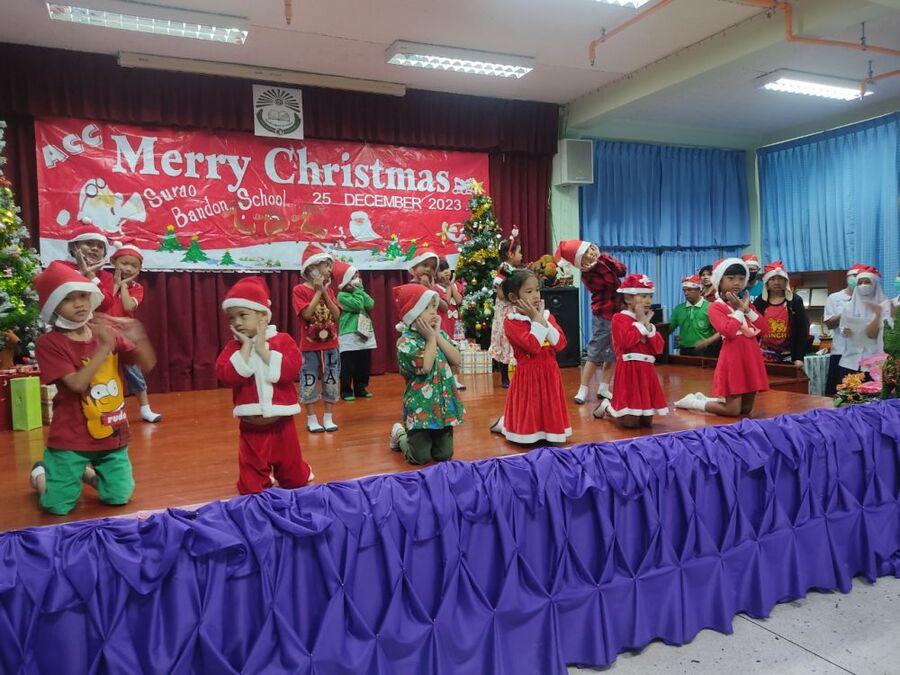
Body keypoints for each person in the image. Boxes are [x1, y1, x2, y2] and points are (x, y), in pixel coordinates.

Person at [29, 262, 156, 515]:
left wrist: (138, 335)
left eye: (83, 296)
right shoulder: (49, 343)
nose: (79, 304)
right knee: (56, 506)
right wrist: (104, 348)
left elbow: (147, 365)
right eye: (68, 299)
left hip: (112, 435)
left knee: (118, 497)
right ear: (53, 306)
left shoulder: (105, 332)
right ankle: (40, 473)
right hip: (70, 438)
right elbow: (77, 384)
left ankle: (85, 474)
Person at [216, 276, 312, 494]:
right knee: (251, 487)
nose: (236, 322)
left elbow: (292, 370)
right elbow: (227, 376)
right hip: (251, 429)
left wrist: (262, 351)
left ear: (262, 316)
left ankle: (299, 472)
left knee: (294, 477)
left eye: (243, 315)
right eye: (232, 318)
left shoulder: (283, 340)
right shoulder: (233, 348)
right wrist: (246, 348)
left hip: (282, 425)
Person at [674, 257, 768, 417]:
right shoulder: (715, 307)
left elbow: (764, 329)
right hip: (733, 358)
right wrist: (740, 310)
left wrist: (746, 309)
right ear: (719, 281)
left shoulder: (745, 303)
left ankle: (705, 399)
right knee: (732, 410)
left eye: (741, 278)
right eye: (731, 278)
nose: (737, 282)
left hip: (751, 355)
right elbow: (729, 332)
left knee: (746, 409)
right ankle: (693, 402)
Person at [489, 270, 571, 444]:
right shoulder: (512, 321)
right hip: (528, 376)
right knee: (528, 417)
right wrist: (536, 318)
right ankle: (505, 425)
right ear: (513, 297)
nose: (535, 295)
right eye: (529, 291)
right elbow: (533, 346)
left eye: (537, 290)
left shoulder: (546, 316)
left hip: (550, 373)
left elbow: (560, 343)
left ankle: (543, 431)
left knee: (547, 411)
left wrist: (540, 318)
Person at [389, 284, 464, 465]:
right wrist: (431, 339)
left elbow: (457, 359)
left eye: (434, 307)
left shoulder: (439, 334)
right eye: (426, 308)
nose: (433, 312)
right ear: (412, 314)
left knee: (444, 455)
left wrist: (436, 336)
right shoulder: (405, 342)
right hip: (420, 409)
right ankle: (399, 434)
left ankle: (430, 441)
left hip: (443, 406)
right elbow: (426, 367)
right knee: (419, 457)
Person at [555, 239, 626, 404]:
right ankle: (583, 389)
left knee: (613, 352)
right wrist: (599, 264)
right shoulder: (587, 274)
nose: (591, 254)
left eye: (590, 249)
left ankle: (604, 387)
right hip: (603, 314)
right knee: (595, 351)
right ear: (581, 262)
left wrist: (604, 259)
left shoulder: (604, 259)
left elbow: (622, 270)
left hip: (618, 312)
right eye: (585, 254)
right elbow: (610, 282)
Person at [593, 274, 668, 428]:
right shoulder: (619, 318)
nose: (648, 301)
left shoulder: (646, 321)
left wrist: (648, 326)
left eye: (650, 296)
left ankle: (615, 407)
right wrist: (641, 324)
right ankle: (607, 406)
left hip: (646, 371)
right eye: (643, 296)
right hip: (629, 370)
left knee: (646, 422)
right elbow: (626, 342)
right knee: (629, 423)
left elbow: (658, 348)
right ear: (627, 298)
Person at [100, 240, 162, 423]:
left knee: (133, 371)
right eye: (124, 263)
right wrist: (116, 284)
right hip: (103, 333)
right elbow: (105, 302)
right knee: (104, 371)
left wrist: (124, 286)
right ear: (114, 262)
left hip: (125, 334)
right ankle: (105, 409)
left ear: (139, 269)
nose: (128, 268)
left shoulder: (137, 288)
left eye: (133, 265)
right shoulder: (105, 280)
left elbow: (128, 306)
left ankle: (145, 409)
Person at [291, 244, 341, 433]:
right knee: (309, 379)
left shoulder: (330, 291)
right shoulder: (299, 290)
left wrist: (325, 292)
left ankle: (328, 417)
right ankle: (311, 418)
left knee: (331, 379)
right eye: (326, 265)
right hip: (309, 348)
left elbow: (337, 315)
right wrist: (318, 291)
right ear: (313, 268)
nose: (330, 270)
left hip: (331, 346)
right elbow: (307, 314)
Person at [753, 260, 810, 366]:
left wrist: (799, 357)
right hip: (763, 355)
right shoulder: (759, 302)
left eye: (780, 279)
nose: (777, 282)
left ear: (786, 281)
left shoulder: (795, 301)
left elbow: (802, 331)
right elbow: (753, 328)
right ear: (767, 282)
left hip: (789, 355)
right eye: (772, 279)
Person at [836, 266, 887, 382]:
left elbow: (878, 333)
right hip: (850, 361)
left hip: (874, 362)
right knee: (849, 391)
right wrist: (845, 331)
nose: (863, 285)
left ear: (875, 283)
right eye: (860, 283)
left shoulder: (885, 305)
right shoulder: (849, 307)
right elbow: (842, 328)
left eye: (867, 282)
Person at [334, 260, 376, 401]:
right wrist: (357, 292)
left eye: (357, 276)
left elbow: (370, 304)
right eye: (353, 277)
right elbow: (358, 305)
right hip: (349, 334)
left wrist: (360, 291)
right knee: (348, 365)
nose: (357, 280)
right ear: (346, 281)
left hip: (364, 332)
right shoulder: (342, 296)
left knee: (363, 364)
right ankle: (346, 391)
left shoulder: (359, 292)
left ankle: (361, 388)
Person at [489, 229, 524, 389]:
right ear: (510, 254)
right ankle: (504, 377)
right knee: (505, 340)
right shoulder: (505, 268)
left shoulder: (512, 269)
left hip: (511, 308)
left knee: (510, 341)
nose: (521, 255)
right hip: (505, 311)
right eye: (519, 252)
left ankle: (512, 375)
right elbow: (499, 288)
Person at [823, 264, 862, 395]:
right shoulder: (834, 298)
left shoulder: (869, 299)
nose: (857, 279)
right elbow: (829, 324)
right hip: (840, 351)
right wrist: (845, 312)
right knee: (839, 392)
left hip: (862, 353)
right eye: (854, 276)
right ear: (847, 277)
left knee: (861, 392)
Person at [670, 275, 720, 357]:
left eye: (690, 290)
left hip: (706, 350)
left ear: (699, 290)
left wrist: (707, 341)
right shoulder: (679, 309)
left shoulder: (711, 307)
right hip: (684, 351)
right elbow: (668, 329)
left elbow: (721, 332)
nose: (686, 293)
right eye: (684, 290)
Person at [437, 258, 466, 390]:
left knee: (454, 349)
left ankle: (455, 381)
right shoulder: (436, 288)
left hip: (455, 323)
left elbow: (459, 300)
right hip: (444, 323)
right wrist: (449, 286)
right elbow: (446, 302)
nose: (446, 272)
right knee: (445, 351)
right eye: (441, 270)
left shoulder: (455, 285)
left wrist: (452, 285)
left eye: (447, 268)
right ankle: (444, 381)